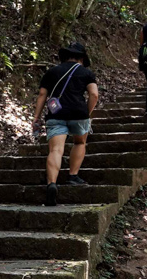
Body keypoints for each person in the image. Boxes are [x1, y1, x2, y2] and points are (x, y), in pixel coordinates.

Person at [31, 43, 99, 207]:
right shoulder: (86, 73)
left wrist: (36, 117)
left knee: (55, 150)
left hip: (56, 114)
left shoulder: (52, 72)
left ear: (65, 56)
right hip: (79, 114)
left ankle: (52, 183)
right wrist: (86, 113)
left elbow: (42, 94)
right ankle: (73, 176)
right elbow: (94, 94)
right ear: (82, 58)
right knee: (79, 142)